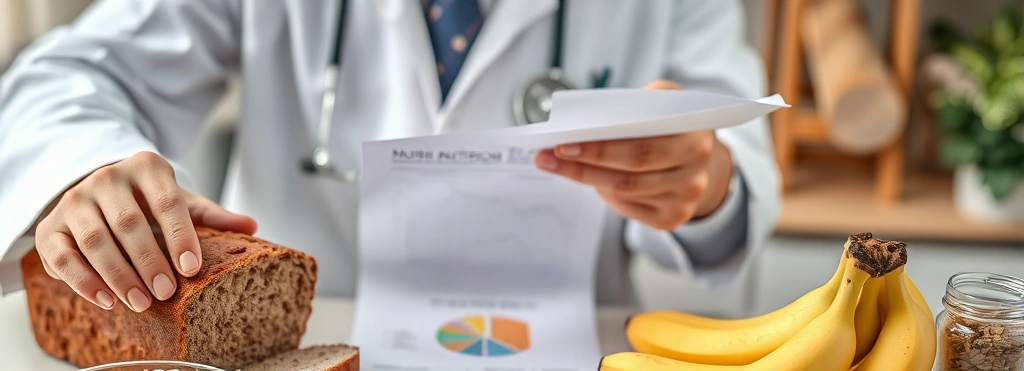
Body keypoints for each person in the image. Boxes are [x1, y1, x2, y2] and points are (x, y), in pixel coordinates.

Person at [0, 0, 779, 310]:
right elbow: (71, 73)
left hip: (568, 366)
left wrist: (702, 186)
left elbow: (729, 159)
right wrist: (85, 166)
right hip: (298, 354)